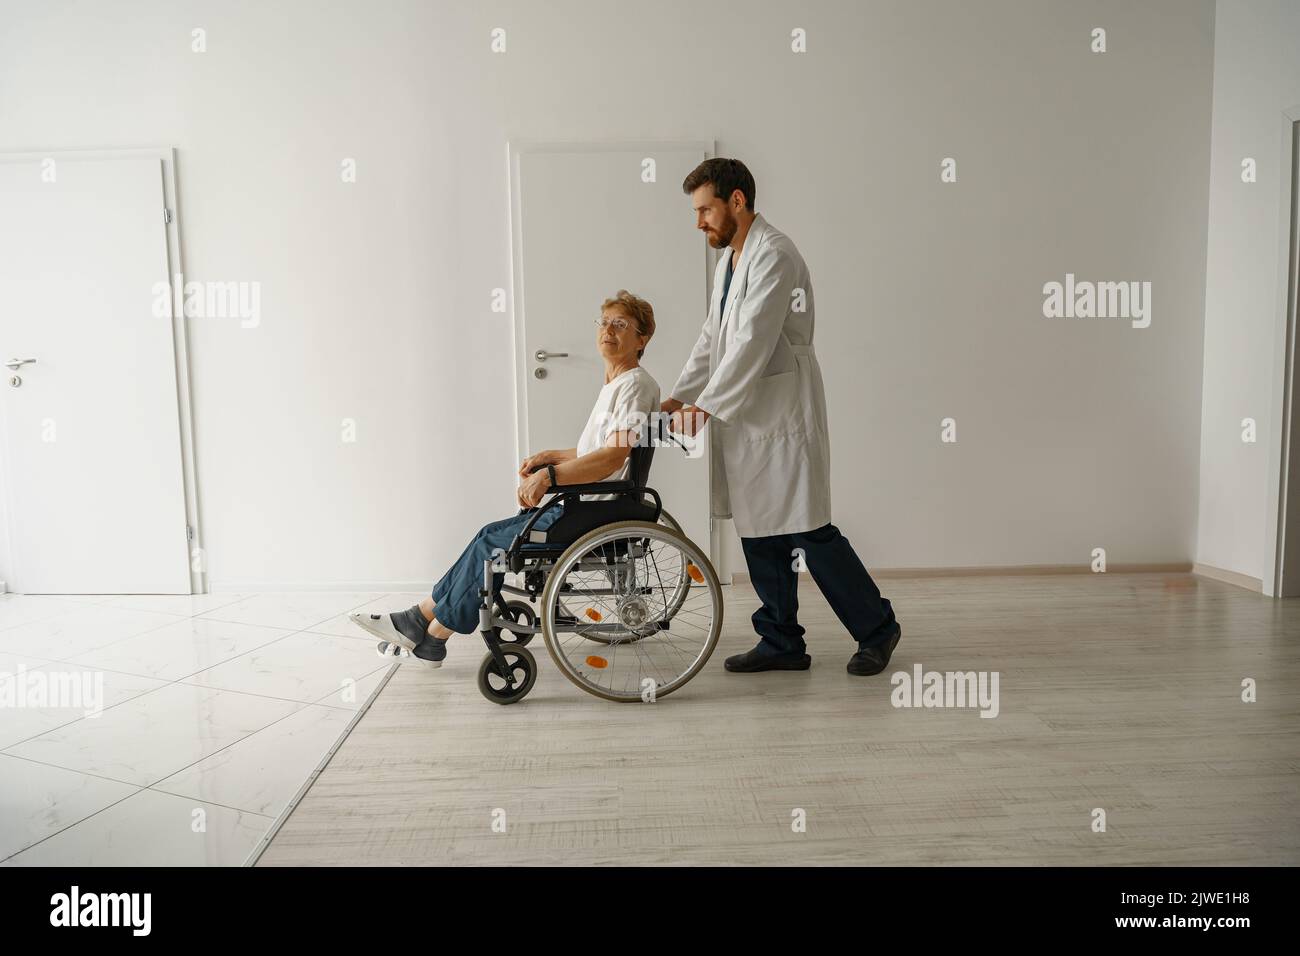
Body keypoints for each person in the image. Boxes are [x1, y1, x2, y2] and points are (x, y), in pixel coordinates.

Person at [663, 158, 901, 676]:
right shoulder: (731, 261)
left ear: (737, 201)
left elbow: (753, 339)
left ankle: (878, 629)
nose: (698, 222)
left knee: (809, 531)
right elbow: (713, 337)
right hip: (748, 415)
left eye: (705, 209)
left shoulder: (775, 254)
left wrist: (706, 406)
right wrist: (678, 396)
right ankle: (780, 641)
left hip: (782, 411)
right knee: (759, 530)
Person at [351, 290, 660, 665]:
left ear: (641, 339)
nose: (608, 330)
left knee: (493, 545)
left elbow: (611, 458)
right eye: (605, 322)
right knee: (489, 536)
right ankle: (421, 621)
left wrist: (549, 477)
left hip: (595, 509)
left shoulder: (634, 385)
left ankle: (431, 632)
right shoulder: (616, 384)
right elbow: (595, 450)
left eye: (620, 324)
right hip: (586, 502)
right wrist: (549, 457)